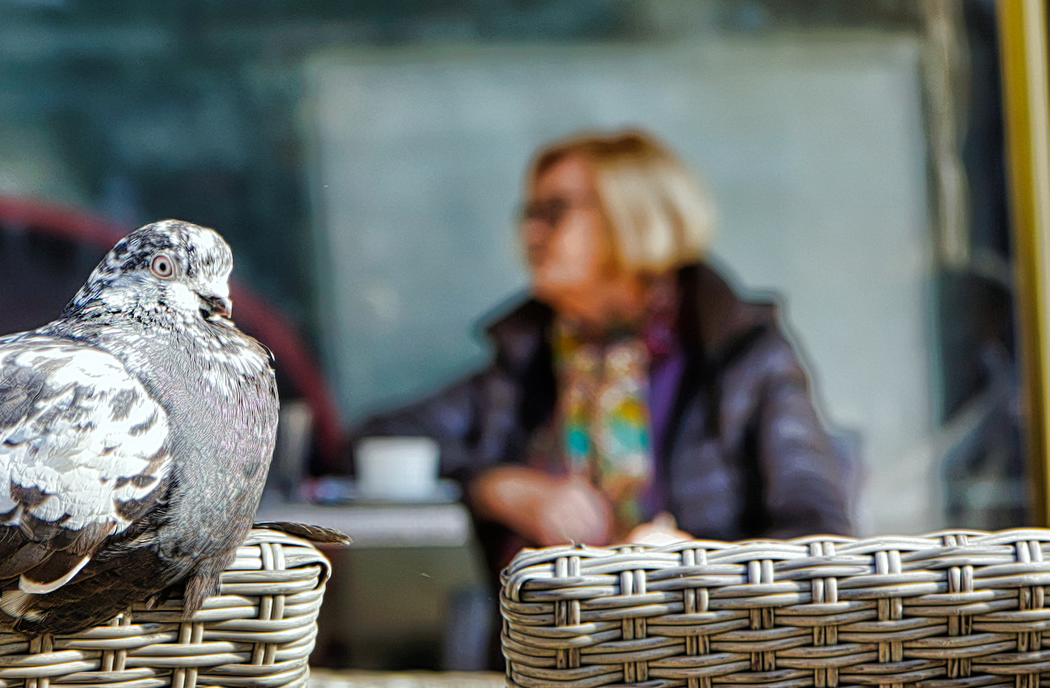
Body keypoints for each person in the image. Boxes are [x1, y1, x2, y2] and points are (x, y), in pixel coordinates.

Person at [359, 128, 852, 570]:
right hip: (554, 647)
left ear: (631, 216)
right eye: (529, 213)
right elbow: (374, 441)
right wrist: (502, 488)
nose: (531, 232)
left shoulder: (742, 354)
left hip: (707, 647)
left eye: (554, 212)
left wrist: (701, 565)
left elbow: (819, 536)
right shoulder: (530, 360)